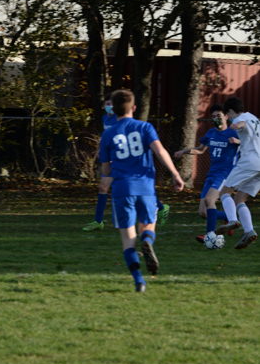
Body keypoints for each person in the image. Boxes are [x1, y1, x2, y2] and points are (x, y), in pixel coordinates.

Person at [99, 89, 184, 292]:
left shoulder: (108, 133)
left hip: (122, 188)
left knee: (128, 238)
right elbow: (160, 150)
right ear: (134, 107)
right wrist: (175, 174)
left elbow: (106, 169)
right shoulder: (145, 127)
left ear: (113, 109)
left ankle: (139, 281)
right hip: (145, 187)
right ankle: (147, 240)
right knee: (148, 225)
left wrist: (107, 179)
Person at [82, 93, 170, 231]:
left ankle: (160, 206)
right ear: (103, 106)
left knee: (128, 188)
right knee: (103, 187)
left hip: (122, 160)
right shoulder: (105, 118)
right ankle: (98, 221)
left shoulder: (120, 120)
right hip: (112, 159)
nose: (110, 107)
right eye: (107, 104)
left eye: (112, 104)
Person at [174, 104, 240, 242]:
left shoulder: (234, 133)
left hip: (225, 174)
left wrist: (237, 141)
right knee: (203, 212)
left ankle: (210, 236)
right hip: (212, 173)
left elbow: (249, 144)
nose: (216, 118)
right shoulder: (211, 133)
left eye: (219, 115)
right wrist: (184, 151)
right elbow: (200, 149)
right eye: (213, 116)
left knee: (210, 200)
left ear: (226, 116)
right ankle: (229, 218)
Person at [214, 97, 260, 249]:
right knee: (240, 199)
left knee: (224, 192)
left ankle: (233, 220)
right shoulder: (254, 118)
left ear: (231, 111)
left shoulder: (241, 119)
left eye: (228, 115)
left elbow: (242, 124)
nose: (228, 118)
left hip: (249, 162)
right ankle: (249, 231)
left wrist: (236, 125)